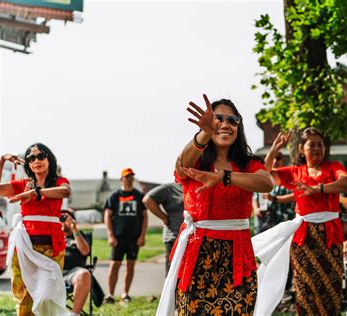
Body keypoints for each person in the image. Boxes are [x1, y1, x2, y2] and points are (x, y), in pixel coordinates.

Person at [156, 95, 273, 316]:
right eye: (219, 118)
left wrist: (225, 177)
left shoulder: (248, 163)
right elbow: (181, 166)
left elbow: (266, 183)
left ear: (239, 127)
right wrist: (205, 133)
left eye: (233, 120)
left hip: (237, 254)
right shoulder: (197, 160)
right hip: (198, 252)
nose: (226, 124)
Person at [252, 128, 347, 315]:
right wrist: (274, 148)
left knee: (332, 286)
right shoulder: (295, 172)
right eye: (312, 144)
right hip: (304, 237)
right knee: (305, 287)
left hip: (330, 233)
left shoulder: (333, 167)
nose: (317, 148)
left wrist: (317, 189)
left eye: (320, 144)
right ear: (301, 149)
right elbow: (264, 174)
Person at [0, 144, 71, 315]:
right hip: (23, 249)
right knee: (24, 304)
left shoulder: (59, 182)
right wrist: (1, 160)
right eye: (31, 158)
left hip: (51, 250)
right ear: (28, 164)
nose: (36, 160)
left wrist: (36, 193)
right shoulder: (22, 184)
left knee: (47, 296)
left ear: (49, 159)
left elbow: (65, 192)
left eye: (40, 156)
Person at [104, 168, 148, 304]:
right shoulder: (115, 196)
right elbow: (107, 215)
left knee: (130, 265)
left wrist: (142, 236)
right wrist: (110, 235)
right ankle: (110, 295)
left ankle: (125, 294)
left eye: (131, 176)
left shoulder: (139, 196)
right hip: (118, 237)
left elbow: (145, 216)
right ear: (121, 179)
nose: (129, 179)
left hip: (134, 237)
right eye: (127, 176)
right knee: (114, 265)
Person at [143, 182, 184, 274]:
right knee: (173, 273)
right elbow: (148, 200)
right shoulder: (170, 188)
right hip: (174, 236)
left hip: (194, 237)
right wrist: (164, 218)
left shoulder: (197, 185)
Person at [253, 151, 295, 235]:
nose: (275, 161)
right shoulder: (262, 178)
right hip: (263, 221)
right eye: (272, 158)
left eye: (278, 158)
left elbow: (296, 196)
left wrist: (274, 199)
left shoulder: (289, 177)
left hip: (281, 222)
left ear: (283, 161)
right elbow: (254, 196)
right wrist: (256, 209)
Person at [60, 208, 91, 316]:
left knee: (84, 274)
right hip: (54, 272)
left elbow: (85, 251)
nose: (63, 220)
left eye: (66, 217)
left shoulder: (80, 235)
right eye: (61, 217)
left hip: (73, 273)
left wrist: (74, 230)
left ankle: (74, 314)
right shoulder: (53, 236)